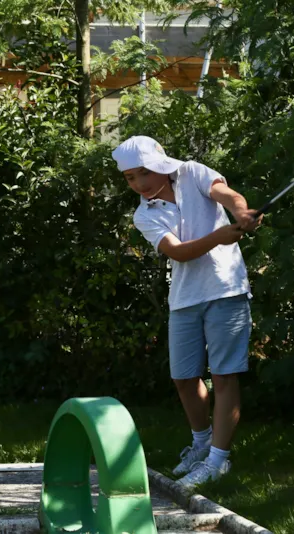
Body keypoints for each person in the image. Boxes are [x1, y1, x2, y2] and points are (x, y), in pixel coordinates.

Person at [112, 136, 262, 488]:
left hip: (226, 289)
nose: (139, 184)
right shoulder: (142, 214)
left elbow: (228, 195)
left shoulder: (193, 173)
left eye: (143, 174)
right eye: (130, 178)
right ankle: (201, 443)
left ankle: (218, 461)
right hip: (184, 298)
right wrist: (221, 235)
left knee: (225, 376)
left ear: (159, 166)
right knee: (183, 378)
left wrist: (241, 214)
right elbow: (178, 252)